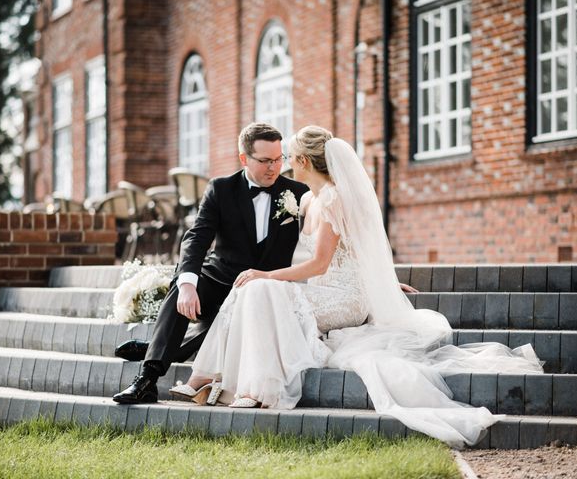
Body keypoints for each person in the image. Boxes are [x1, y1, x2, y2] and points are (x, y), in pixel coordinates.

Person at [175, 125, 543, 448]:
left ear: (304, 160)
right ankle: (208, 379)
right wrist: (263, 276)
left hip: (344, 297)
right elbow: (343, 254)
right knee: (250, 289)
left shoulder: (335, 198)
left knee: (259, 287)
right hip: (321, 289)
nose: (284, 164)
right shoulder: (306, 200)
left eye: (290, 157)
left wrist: (267, 275)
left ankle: (250, 389)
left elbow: (321, 263)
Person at [113, 122, 309, 404]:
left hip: (268, 287)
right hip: (221, 279)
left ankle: (166, 349)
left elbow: (333, 244)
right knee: (182, 286)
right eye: (265, 161)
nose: (273, 168)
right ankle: (147, 379)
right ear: (244, 158)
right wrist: (187, 284)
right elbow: (196, 238)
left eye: (279, 159)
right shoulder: (221, 189)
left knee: (221, 323)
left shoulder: (298, 193)